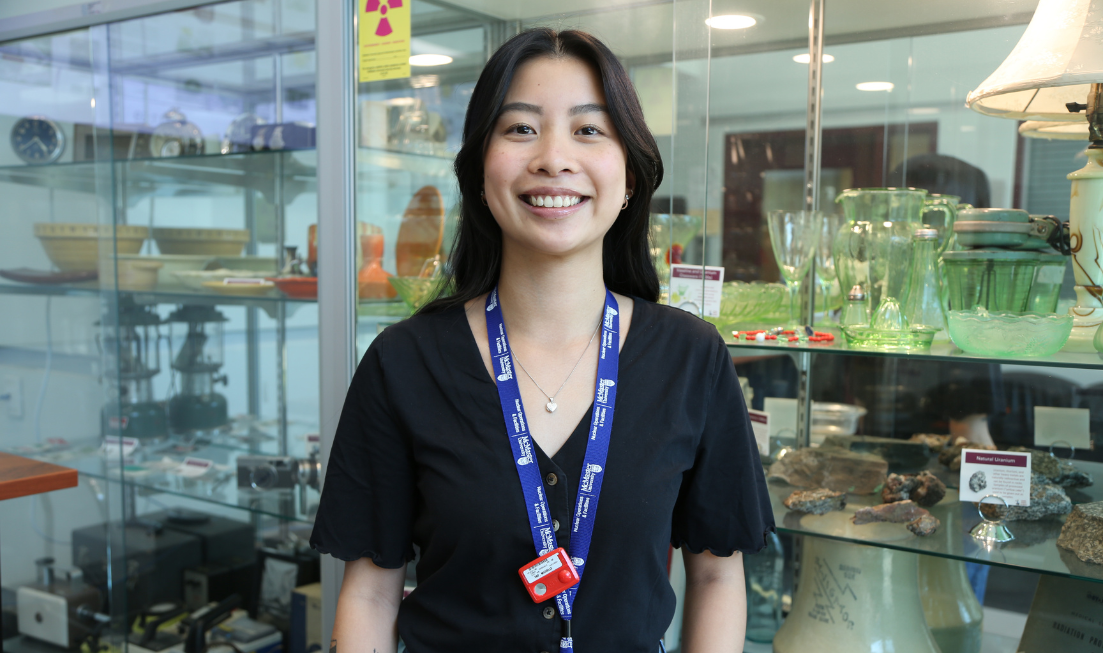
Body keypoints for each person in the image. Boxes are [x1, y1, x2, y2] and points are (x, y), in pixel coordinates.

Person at [310, 28, 773, 653]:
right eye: (521, 129)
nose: (554, 158)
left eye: (589, 130)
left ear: (630, 174)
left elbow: (717, 574)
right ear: (479, 169)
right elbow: (369, 591)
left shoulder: (692, 357)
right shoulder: (403, 362)